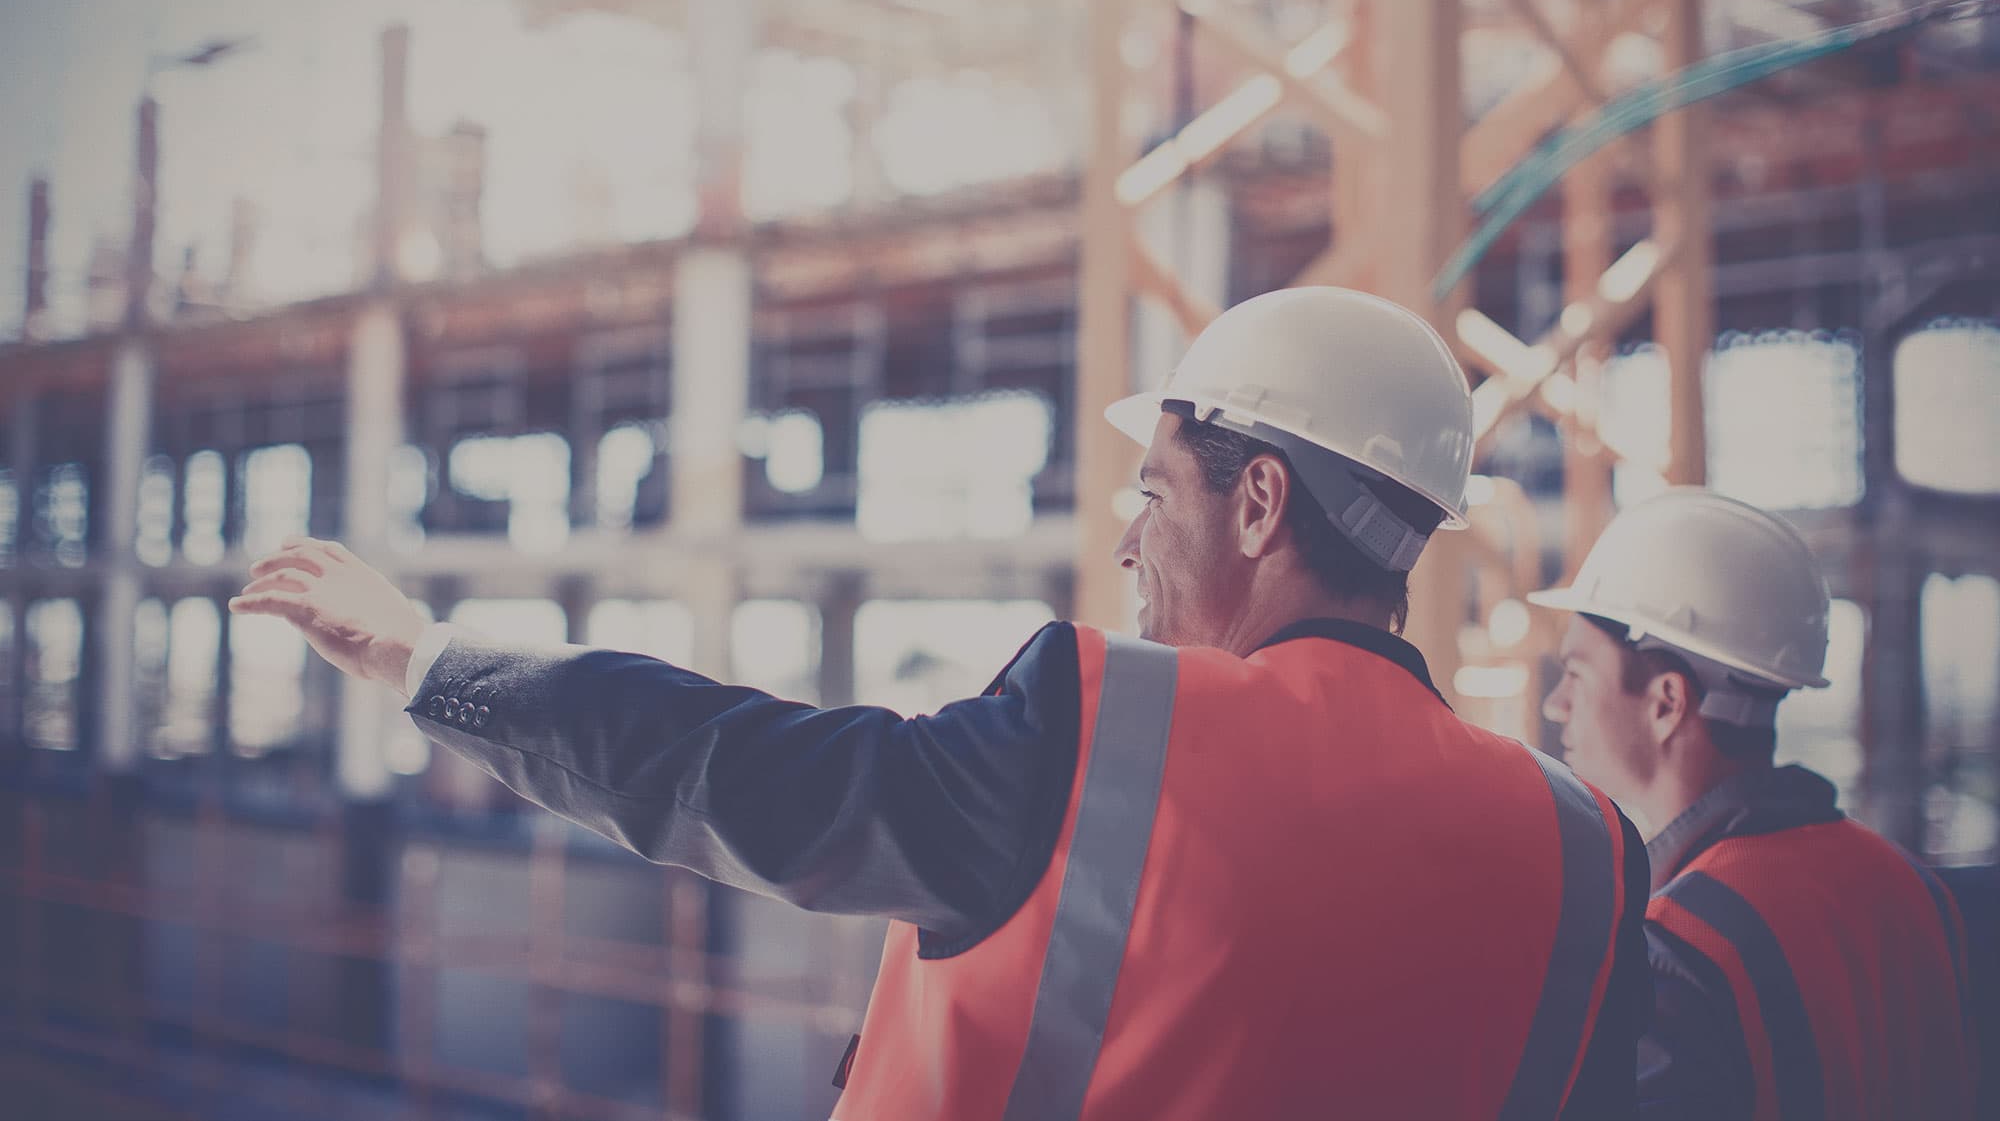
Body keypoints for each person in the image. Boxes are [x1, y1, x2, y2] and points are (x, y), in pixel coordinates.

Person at [232, 286, 1648, 1119]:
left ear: (1260, 501)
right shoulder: (1583, 854)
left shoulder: (1113, 729)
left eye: (1153, 495)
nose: (1128, 543)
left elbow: (738, 772)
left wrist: (427, 660)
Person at [1532, 488, 1975, 1121]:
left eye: (1576, 674)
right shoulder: (1913, 885)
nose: (1556, 705)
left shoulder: (1677, 945)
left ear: (1666, 703)